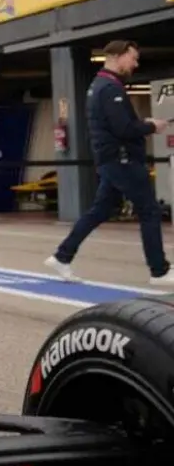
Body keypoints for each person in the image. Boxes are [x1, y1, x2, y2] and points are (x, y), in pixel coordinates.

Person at [46, 41, 174, 284]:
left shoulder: (100, 85)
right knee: (149, 211)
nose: (135, 64)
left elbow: (118, 125)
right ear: (117, 56)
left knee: (101, 210)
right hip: (122, 159)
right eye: (132, 58)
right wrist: (150, 126)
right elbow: (123, 129)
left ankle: (62, 256)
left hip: (112, 160)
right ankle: (159, 271)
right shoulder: (109, 88)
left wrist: (145, 124)